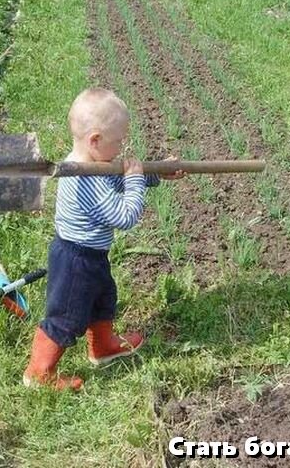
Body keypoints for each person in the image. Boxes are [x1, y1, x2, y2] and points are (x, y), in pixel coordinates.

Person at [22, 87, 184, 391]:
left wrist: (156, 173)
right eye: (119, 141)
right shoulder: (84, 178)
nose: (122, 147)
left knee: (103, 299)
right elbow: (125, 216)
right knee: (66, 317)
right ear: (95, 140)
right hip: (76, 260)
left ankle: (102, 347)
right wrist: (135, 180)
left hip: (90, 255)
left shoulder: (90, 162)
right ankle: (38, 373)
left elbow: (115, 181)